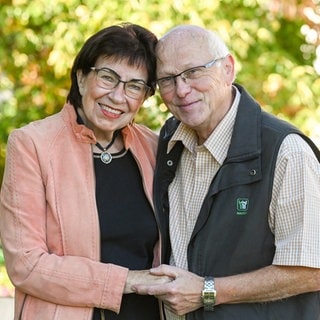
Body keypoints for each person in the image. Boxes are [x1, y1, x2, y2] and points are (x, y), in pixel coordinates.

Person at [133, 25, 320, 319]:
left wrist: (208, 291)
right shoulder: (169, 142)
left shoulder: (285, 151)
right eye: (168, 79)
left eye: (194, 72)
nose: (181, 90)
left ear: (228, 69)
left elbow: (311, 270)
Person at [0, 23, 170, 320]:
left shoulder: (155, 148)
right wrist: (127, 282)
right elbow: (25, 264)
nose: (118, 97)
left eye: (134, 86)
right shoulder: (32, 145)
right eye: (108, 78)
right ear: (81, 78)